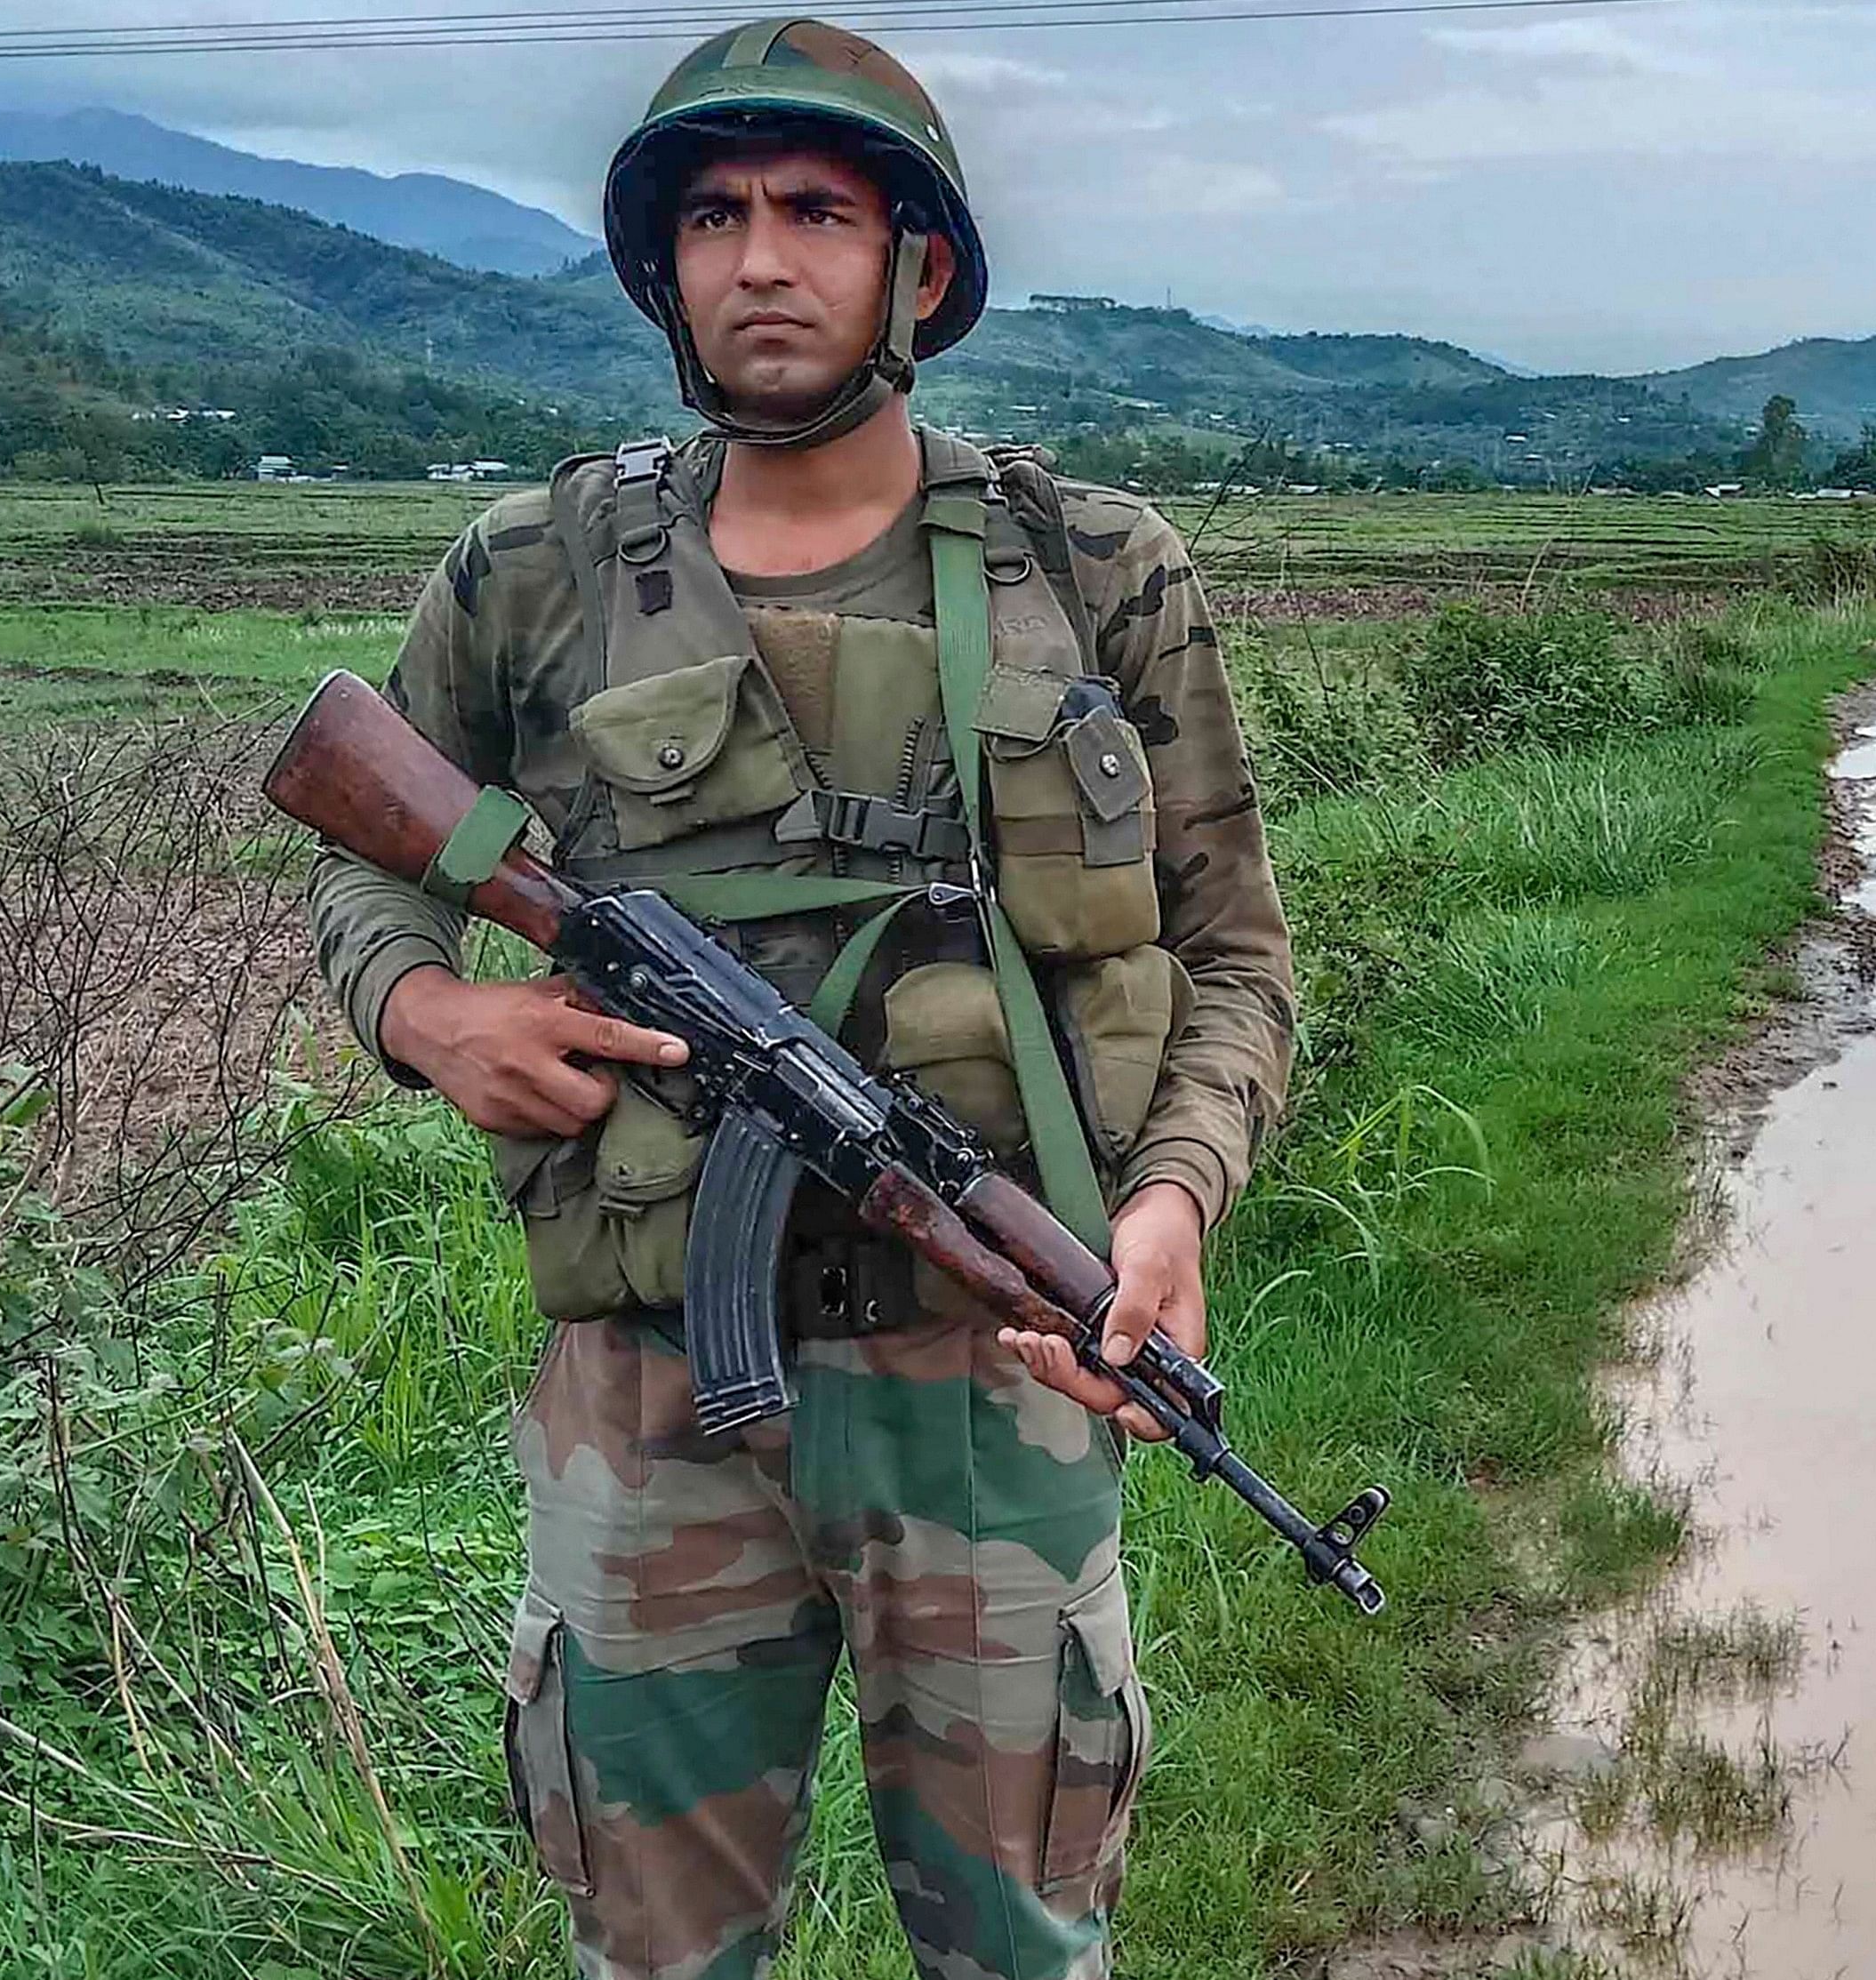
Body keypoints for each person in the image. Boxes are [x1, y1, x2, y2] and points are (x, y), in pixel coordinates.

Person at [301, 20, 1294, 1975]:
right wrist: (427, 1016)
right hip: (651, 1404)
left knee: (1019, 1942)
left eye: (817, 213)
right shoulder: (534, 570)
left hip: (994, 1385)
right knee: (655, 1951)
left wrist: (1166, 1211)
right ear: (658, 271)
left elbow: (1237, 956)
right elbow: (359, 842)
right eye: (714, 216)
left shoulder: (1091, 567)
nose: (760, 257)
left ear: (914, 264)